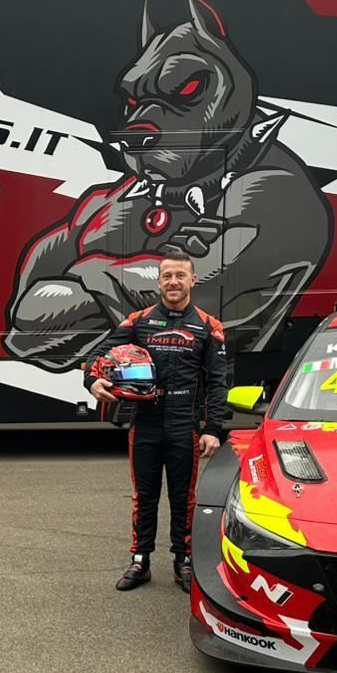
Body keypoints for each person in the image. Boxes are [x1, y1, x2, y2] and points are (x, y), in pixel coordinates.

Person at [86, 249, 228, 593]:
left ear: (193, 280)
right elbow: (98, 354)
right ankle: (140, 561)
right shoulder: (139, 321)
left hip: (184, 425)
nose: (173, 282)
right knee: (145, 496)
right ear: (159, 282)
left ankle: (183, 560)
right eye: (167, 276)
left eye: (180, 275)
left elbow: (218, 382)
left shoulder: (209, 326)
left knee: (184, 498)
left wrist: (212, 429)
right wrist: (92, 381)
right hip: (145, 424)